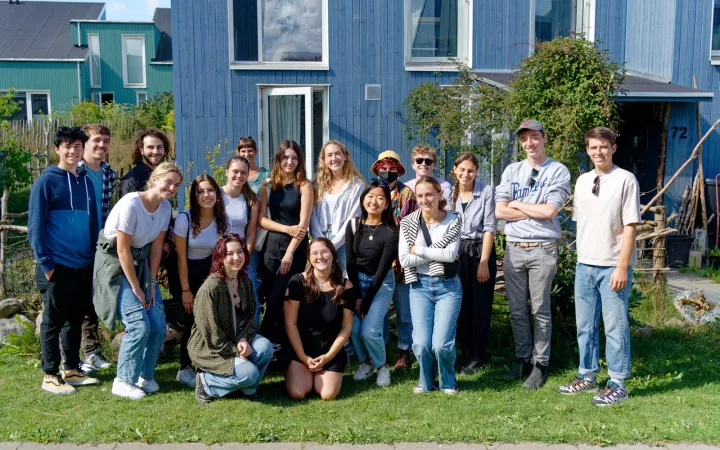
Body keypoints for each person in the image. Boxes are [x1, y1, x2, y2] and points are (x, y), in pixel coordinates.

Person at [557, 127, 640, 406]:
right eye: (593, 147)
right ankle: (588, 375)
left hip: (612, 266)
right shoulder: (582, 181)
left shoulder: (625, 180)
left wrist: (622, 266)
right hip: (585, 265)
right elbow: (583, 223)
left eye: (603, 146)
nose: (598, 152)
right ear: (588, 150)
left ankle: (617, 382)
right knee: (585, 326)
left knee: (615, 327)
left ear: (613, 148)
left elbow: (630, 227)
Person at [94, 162, 182, 400]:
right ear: (154, 179)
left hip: (141, 263)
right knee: (138, 324)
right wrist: (135, 288)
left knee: (157, 324)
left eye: (176, 185)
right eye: (168, 182)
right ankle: (122, 381)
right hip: (115, 262)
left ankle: (145, 375)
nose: (172, 188)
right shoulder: (131, 203)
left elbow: (155, 248)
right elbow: (122, 249)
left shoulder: (164, 209)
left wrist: (151, 283)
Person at [495, 119, 571, 389]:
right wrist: (529, 206)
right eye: (525, 138)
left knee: (540, 309)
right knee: (517, 310)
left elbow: (550, 211)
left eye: (535, 137)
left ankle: (541, 364)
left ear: (544, 138)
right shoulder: (512, 170)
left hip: (542, 248)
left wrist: (515, 203)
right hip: (514, 248)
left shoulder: (558, 171)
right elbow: (500, 211)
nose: (530, 143)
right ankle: (522, 359)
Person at [29, 126, 100, 394]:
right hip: (56, 267)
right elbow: (36, 227)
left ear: (83, 150)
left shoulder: (86, 183)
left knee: (74, 319)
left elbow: (93, 224)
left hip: (82, 264)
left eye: (78, 146)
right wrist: (47, 265)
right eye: (67, 146)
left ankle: (70, 370)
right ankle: (50, 374)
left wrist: (94, 259)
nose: (73, 151)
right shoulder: (46, 182)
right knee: (53, 321)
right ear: (57, 149)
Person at [189, 234, 274, 404]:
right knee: (251, 373)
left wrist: (243, 338)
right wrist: (236, 350)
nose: (236, 257)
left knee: (266, 347)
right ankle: (206, 382)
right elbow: (211, 334)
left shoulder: (244, 280)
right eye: (230, 254)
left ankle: (247, 388)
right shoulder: (211, 288)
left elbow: (250, 316)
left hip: (236, 339)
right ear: (220, 258)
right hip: (210, 348)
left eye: (240, 252)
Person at [399, 177, 462, 395]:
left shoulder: (453, 220)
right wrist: (435, 254)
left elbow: (450, 255)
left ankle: (447, 380)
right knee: (421, 343)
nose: (425, 200)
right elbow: (404, 260)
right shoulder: (407, 222)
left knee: (441, 344)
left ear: (439, 195)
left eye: (429, 194)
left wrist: (419, 250)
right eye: (420, 195)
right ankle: (425, 381)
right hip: (419, 287)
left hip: (448, 287)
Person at [258, 140, 313, 354]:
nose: (289, 162)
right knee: (271, 296)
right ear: (278, 159)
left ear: (299, 160)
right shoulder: (268, 185)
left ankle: (265, 343)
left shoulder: (305, 185)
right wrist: (285, 229)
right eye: (285, 157)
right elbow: (262, 220)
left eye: (294, 158)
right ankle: (271, 346)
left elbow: (303, 224)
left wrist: (289, 252)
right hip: (271, 245)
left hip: (295, 247)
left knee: (282, 298)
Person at [174, 174, 228, 388]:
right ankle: (183, 368)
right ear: (194, 196)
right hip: (186, 273)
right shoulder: (184, 219)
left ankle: (205, 364)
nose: (206, 195)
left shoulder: (222, 219)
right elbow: (180, 257)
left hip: (210, 273)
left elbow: (220, 254)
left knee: (210, 320)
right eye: (201, 191)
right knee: (191, 321)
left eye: (210, 190)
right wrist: (186, 290)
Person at [284, 238, 354, 400]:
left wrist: (328, 357)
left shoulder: (345, 286)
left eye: (324, 252)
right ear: (309, 258)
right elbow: (290, 323)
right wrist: (303, 357)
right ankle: (300, 370)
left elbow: (346, 327)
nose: (320, 257)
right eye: (314, 253)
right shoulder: (297, 282)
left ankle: (331, 368)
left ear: (333, 256)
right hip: (301, 350)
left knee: (327, 394)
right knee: (298, 392)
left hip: (330, 351)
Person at [346, 180, 398, 386]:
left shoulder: (391, 232)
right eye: (370, 196)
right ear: (363, 199)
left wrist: (365, 302)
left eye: (380, 198)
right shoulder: (353, 225)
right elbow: (350, 262)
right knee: (352, 328)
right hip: (357, 281)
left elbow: (382, 270)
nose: (373, 201)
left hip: (381, 284)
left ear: (386, 204)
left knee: (369, 331)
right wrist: (357, 295)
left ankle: (383, 366)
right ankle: (366, 362)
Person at [450, 152, 497, 375]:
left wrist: (484, 262)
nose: (466, 174)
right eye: (462, 170)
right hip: (458, 253)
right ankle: (464, 352)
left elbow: (489, 228)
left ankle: (478, 355)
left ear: (476, 171)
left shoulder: (486, 192)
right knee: (461, 305)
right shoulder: (450, 194)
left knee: (480, 305)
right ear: (455, 171)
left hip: (480, 250)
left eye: (471, 170)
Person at [370, 150, 417, 370]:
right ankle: (380, 350)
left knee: (404, 311)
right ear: (378, 169)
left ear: (398, 170)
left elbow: (413, 226)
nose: (387, 172)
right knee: (377, 311)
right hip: (376, 260)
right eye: (383, 168)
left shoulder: (408, 194)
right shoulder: (371, 192)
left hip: (401, 260)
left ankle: (404, 350)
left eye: (392, 169)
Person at [76, 124, 116, 374]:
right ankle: (74, 356)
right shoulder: (74, 172)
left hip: (99, 244)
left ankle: (92, 352)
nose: (101, 145)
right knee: (76, 300)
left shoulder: (108, 173)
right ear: (85, 143)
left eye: (105, 141)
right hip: (76, 243)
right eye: (96, 140)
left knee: (94, 298)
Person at [310, 140, 364, 271]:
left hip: (344, 242)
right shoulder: (316, 184)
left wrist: (331, 245)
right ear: (324, 159)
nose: (334, 158)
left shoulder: (356, 185)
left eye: (337, 154)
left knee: (342, 282)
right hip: (320, 238)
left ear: (345, 156)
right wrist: (320, 241)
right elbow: (311, 214)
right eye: (329, 155)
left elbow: (353, 219)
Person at [221, 156, 260, 320]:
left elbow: (251, 232)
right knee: (221, 298)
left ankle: (251, 337)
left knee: (251, 299)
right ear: (227, 172)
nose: (239, 176)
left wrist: (246, 256)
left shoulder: (251, 200)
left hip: (241, 255)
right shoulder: (215, 195)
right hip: (218, 255)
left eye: (244, 172)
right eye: (235, 171)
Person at [235, 137, 268, 306]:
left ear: (255, 152)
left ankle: (257, 306)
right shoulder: (238, 175)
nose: (247, 154)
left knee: (258, 273)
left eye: (250, 150)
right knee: (249, 272)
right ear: (238, 153)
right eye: (243, 151)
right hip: (242, 232)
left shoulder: (265, 175)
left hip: (261, 231)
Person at [119, 128, 169, 198]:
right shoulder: (131, 180)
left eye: (159, 147)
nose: (155, 152)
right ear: (141, 150)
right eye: (150, 147)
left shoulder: (163, 175)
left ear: (164, 150)